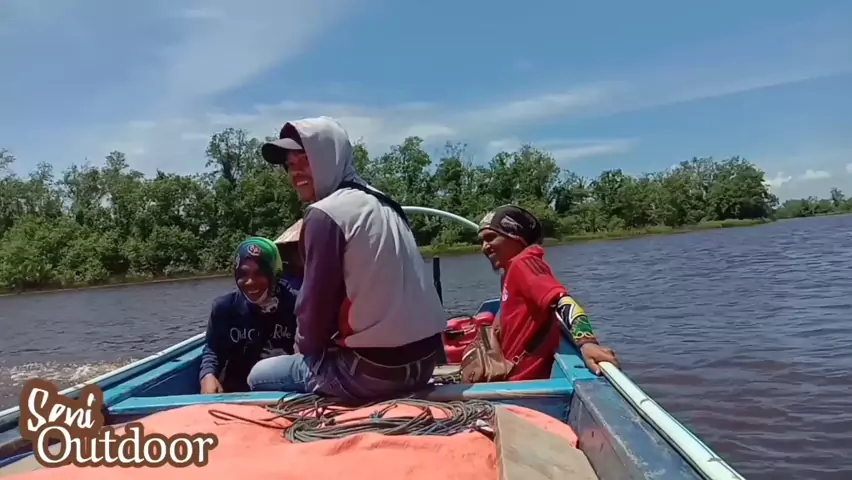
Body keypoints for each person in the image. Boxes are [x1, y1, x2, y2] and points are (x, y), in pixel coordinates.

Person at [250, 116, 447, 401]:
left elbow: (314, 312)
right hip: (426, 363)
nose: (295, 172)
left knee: (259, 374)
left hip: (375, 373)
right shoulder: (386, 203)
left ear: (328, 157)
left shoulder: (325, 214)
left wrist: (303, 353)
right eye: (290, 165)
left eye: (304, 160)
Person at [476, 204, 620, 381]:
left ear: (515, 237)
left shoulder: (524, 264)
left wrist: (587, 342)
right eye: (481, 241)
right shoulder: (509, 271)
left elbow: (563, 301)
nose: (484, 247)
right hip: (508, 374)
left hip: (522, 383)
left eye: (491, 238)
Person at [199, 236, 300, 394]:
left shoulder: (297, 305)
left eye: (259, 273)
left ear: (274, 273)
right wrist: (207, 375)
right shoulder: (224, 307)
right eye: (243, 274)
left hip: (285, 391)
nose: (250, 282)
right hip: (237, 393)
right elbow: (213, 349)